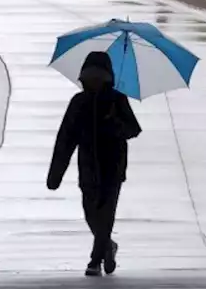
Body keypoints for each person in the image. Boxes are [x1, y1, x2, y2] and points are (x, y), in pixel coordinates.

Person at [47, 51, 142, 276]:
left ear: (108, 78)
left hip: (113, 167)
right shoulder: (78, 103)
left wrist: (114, 122)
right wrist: (55, 175)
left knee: (106, 213)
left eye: (99, 78)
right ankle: (108, 246)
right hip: (88, 167)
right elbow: (65, 139)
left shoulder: (117, 100)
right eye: (90, 78)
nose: (94, 82)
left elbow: (133, 129)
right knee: (91, 213)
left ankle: (95, 260)